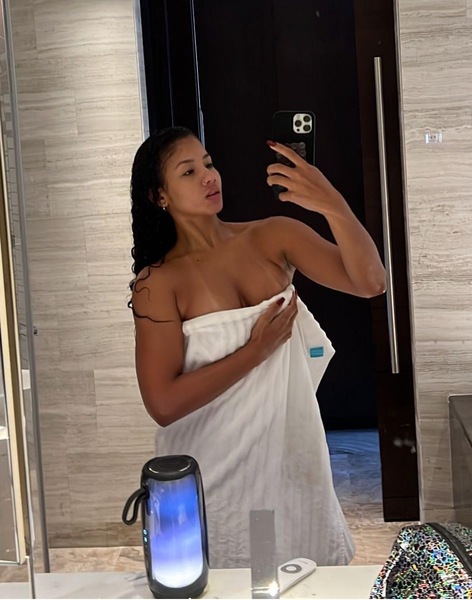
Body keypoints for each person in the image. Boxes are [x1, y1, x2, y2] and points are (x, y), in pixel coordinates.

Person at [129, 126, 386, 569]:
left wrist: (331, 203)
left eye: (208, 163)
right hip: (214, 470)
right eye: (188, 171)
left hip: (291, 458)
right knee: (229, 583)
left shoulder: (272, 236)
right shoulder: (158, 283)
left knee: (309, 577)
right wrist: (254, 351)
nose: (209, 176)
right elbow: (163, 403)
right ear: (159, 196)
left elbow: (370, 282)